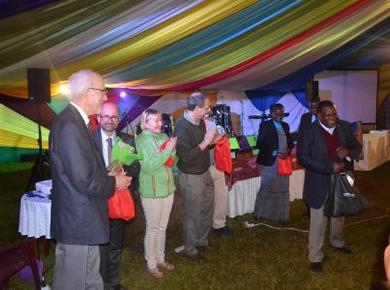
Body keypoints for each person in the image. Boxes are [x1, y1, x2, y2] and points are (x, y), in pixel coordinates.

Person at [49, 70, 132, 290]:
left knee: (90, 279)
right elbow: (84, 180)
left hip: (86, 220)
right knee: (73, 283)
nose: (106, 98)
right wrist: (115, 183)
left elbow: (86, 170)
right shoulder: (69, 125)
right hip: (78, 223)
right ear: (87, 93)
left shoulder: (78, 122)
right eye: (103, 92)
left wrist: (108, 175)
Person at [297, 100, 362, 273]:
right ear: (319, 115)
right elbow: (302, 157)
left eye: (334, 114)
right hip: (319, 181)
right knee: (318, 220)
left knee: (339, 214)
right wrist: (328, 167)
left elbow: (357, 147)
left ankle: (337, 241)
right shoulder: (309, 132)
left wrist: (348, 152)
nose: (332, 118)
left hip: (342, 179)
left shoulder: (344, 127)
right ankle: (316, 256)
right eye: (327, 115)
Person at [95, 102, 140, 290]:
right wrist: (106, 175)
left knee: (115, 245)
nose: (109, 120)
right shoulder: (89, 139)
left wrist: (124, 169)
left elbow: (136, 168)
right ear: (98, 118)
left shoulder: (128, 140)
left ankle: (112, 283)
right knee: (98, 245)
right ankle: (97, 282)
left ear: (118, 120)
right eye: (106, 116)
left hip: (119, 200)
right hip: (96, 200)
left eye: (113, 117)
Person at [135, 108, 177, 279]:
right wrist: (167, 151)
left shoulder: (164, 137)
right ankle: (151, 263)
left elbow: (172, 162)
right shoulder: (141, 140)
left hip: (168, 188)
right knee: (153, 228)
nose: (161, 123)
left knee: (163, 227)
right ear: (145, 123)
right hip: (152, 191)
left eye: (161, 120)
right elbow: (148, 166)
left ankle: (161, 258)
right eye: (156, 120)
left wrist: (171, 151)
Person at [174, 92, 216, 261]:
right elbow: (185, 157)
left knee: (207, 209)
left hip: (205, 172)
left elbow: (201, 148)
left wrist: (212, 140)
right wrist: (206, 142)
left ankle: (202, 241)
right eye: (206, 108)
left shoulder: (200, 123)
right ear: (197, 108)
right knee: (192, 215)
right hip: (191, 177)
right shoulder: (181, 126)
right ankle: (190, 250)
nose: (209, 110)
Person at [253, 103, 293, 224]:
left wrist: (288, 151)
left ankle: (280, 216)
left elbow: (290, 143)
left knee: (282, 188)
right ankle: (260, 214)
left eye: (281, 112)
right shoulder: (265, 125)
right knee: (267, 188)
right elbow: (260, 143)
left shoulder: (285, 125)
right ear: (271, 113)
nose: (279, 114)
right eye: (276, 112)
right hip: (270, 161)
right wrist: (275, 152)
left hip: (283, 161)